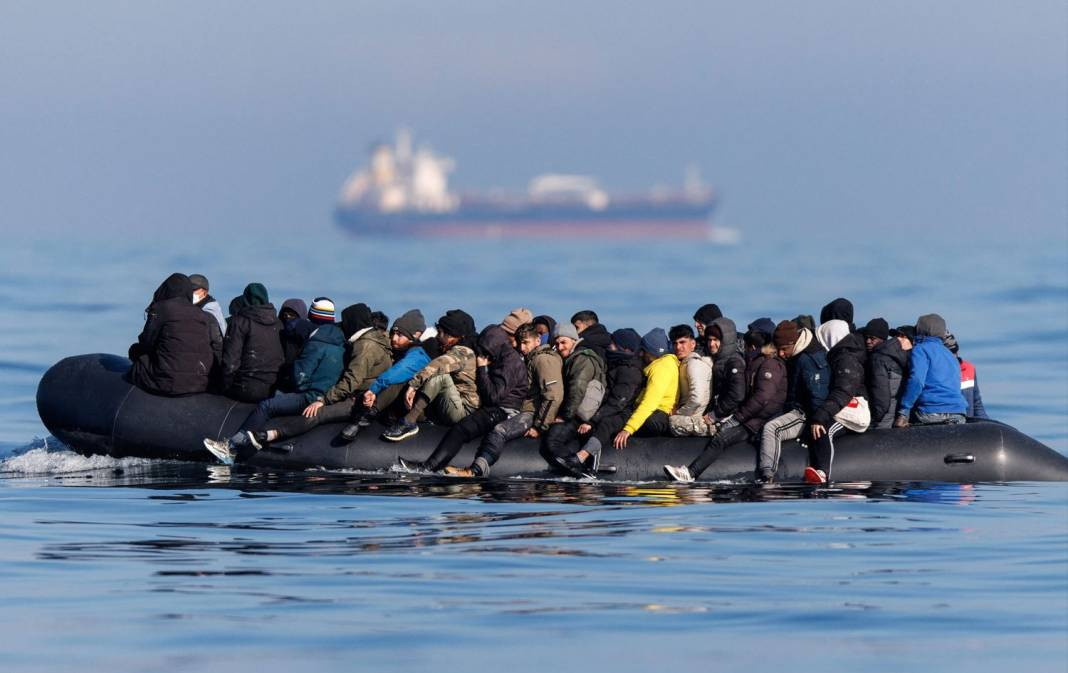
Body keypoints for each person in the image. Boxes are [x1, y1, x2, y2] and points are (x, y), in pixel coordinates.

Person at [202, 297, 345, 463]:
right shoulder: (339, 342)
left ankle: (231, 447)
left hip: (310, 397)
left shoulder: (315, 344)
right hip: (328, 397)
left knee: (267, 405)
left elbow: (300, 379)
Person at [249, 304, 393, 446]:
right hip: (369, 397)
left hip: (360, 399)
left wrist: (323, 400)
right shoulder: (379, 339)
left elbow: (352, 380)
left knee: (317, 413)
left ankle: (272, 434)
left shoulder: (365, 346)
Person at [664, 324, 787, 482]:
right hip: (748, 417)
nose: (744, 350)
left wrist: (733, 418)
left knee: (721, 438)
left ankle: (691, 473)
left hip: (755, 421)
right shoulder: (752, 362)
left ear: (753, 347)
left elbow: (760, 398)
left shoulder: (765, 364)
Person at [442, 323, 565, 477]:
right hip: (521, 410)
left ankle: (475, 470)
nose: (522, 347)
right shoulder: (529, 359)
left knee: (500, 431)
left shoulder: (543, 360)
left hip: (530, 413)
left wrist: (540, 426)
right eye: (520, 343)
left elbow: (553, 395)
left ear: (538, 340)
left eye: (526, 343)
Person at [399, 324, 528, 472]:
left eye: (484, 351)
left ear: (492, 347)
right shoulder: (503, 356)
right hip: (495, 407)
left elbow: (493, 397)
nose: (482, 355)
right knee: (462, 426)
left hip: (503, 411)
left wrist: (481, 369)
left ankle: (429, 467)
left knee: (461, 429)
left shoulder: (510, 363)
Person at [540, 327, 642, 478]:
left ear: (624, 349)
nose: (609, 347)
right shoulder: (613, 365)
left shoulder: (629, 371)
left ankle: (582, 460)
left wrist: (592, 421)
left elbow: (617, 402)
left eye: (613, 345)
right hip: (596, 411)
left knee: (603, 426)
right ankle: (569, 464)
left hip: (616, 414)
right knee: (558, 435)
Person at [383, 309, 480, 442]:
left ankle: (409, 422)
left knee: (440, 377)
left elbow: (438, 366)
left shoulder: (463, 352)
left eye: (440, 333)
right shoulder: (450, 348)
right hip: (449, 402)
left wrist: (413, 385)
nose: (437, 336)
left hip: (463, 411)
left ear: (451, 336)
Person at [339, 309, 431, 441]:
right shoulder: (397, 349)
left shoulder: (418, 356)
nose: (394, 338)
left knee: (399, 381)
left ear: (416, 335)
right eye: (393, 332)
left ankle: (364, 419)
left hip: (414, 409)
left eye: (400, 335)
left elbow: (396, 372)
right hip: (391, 406)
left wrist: (373, 390)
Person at [756, 320, 829, 482]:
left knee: (772, 429)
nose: (781, 354)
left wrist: (817, 420)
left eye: (784, 349)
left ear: (794, 343)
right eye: (778, 349)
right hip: (796, 408)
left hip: (806, 414)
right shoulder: (798, 355)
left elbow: (817, 395)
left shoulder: (808, 360)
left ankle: (767, 475)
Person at [128, 273, 216, 396]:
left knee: (135, 351)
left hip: (168, 382)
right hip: (200, 382)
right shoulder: (203, 315)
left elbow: (146, 342)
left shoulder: (161, 308)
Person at [804, 319, 869, 484]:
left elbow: (843, 391)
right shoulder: (837, 356)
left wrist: (821, 416)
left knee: (824, 429)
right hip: (842, 407)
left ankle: (824, 473)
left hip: (854, 411)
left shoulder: (845, 359)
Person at [540, 322, 607, 474]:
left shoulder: (582, 358)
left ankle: (581, 472)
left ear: (573, 340)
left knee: (552, 441)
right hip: (577, 412)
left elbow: (577, 388)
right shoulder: (571, 358)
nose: (560, 346)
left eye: (564, 342)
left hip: (580, 413)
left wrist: (564, 416)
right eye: (557, 343)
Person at [610, 328, 678, 450]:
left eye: (645, 351)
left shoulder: (661, 368)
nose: (642, 354)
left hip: (655, 416)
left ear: (653, 352)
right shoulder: (666, 364)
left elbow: (649, 402)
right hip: (658, 413)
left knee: (616, 423)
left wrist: (628, 429)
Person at [894, 313, 967, 428]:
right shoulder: (950, 355)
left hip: (931, 411)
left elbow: (917, 380)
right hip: (958, 413)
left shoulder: (920, 350)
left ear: (919, 329)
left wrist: (903, 411)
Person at [220, 282, 284, 402]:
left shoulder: (239, 322)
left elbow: (230, 362)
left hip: (246, 388)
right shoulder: (279, 323)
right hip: (273, 390)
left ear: (245, 299)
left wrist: (225, 387)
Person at [668, 324, 714, 436]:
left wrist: (678, 413)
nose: (678, 347)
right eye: (675, 343)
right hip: (692, 415)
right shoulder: (686, 363)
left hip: (693, 418)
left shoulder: (694, 364)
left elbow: (697, 399)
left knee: (669, 422)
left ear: (693, 344)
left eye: (682, 342)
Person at [863, 317, 907, 429]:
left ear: (882, 339)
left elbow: (881, 396)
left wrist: (873, 420)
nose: (868, 341)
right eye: (866, 338)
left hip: (882, 420)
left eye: (872, 338)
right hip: (894, 416)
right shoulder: (898, 355)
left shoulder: (877, 359)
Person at [705, 317, 747, 423]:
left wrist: (715, 413)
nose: (711, 344)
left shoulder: (734, 362)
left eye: (715, 340)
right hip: (719, 413)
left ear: (726, 341)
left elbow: (737, 394)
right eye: (709, 340)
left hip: (729, 416)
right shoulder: (719, 359)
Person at [943, 332, 989, 419]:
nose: (953, 356)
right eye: (949, 353)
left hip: (967, 426)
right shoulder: (935, 374)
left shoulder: (969, 369)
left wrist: (989, 427)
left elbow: (977, 405)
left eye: (954, 351)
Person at [276, 299, 315, 393]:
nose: (288, 318)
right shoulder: (313, 334)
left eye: (292, 315)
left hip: (288, 384)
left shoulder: (280, 334)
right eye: (285, 315)